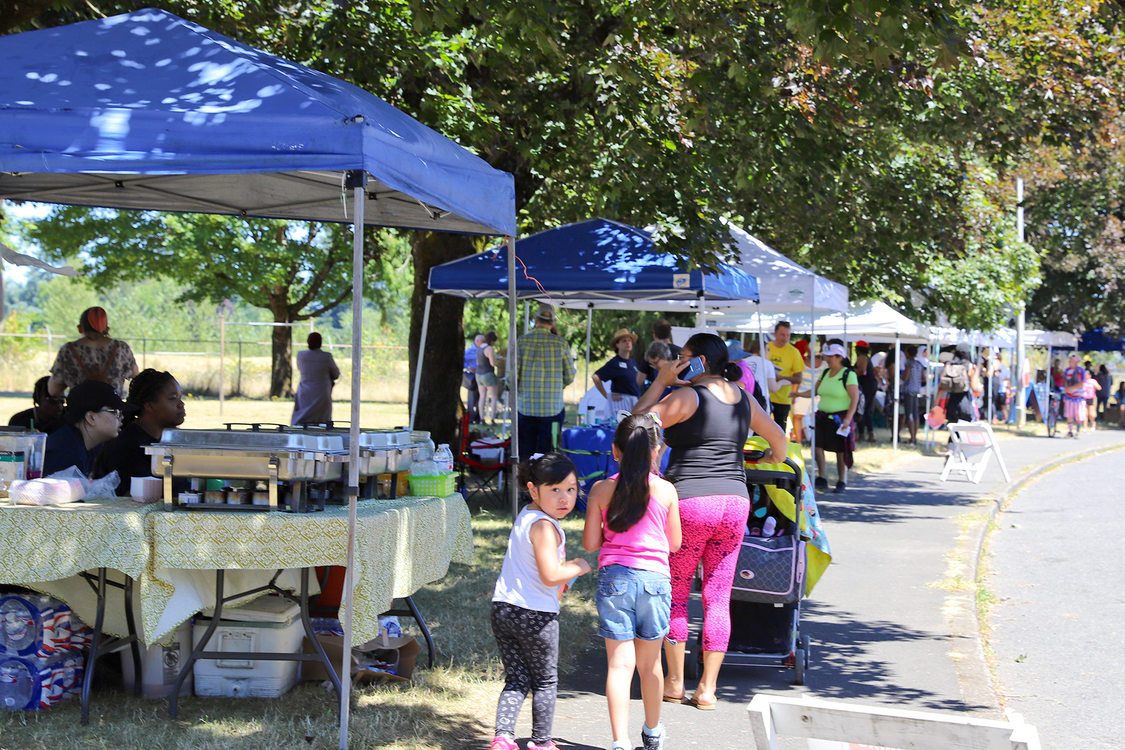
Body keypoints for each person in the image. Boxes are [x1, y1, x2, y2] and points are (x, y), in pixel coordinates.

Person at [632, 333, 788, 711]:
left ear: (699, 361)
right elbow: (780, 442)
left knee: (679, 592)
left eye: (683, 358)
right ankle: (707, 689)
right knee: (719, 597)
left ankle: (673, 681)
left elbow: (637, 426)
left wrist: (661, 381)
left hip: (690, 504)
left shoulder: (686, 397)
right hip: (735, 503)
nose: (677, 363)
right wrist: (766, 457)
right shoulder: (743, 398)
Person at [582, 414, 681, 750]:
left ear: (615, 450)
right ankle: (652, 732)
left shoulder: (601, 489)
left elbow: (592, 543)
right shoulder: (666, 490)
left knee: (619, 664)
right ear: (657, 451)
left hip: (615, 580)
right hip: (655, 581)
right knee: (650, 664)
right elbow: (675, 544)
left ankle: (620, 742)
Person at [490, 453, 592, 750]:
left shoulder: (527, 516)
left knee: (517, 678)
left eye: (571, 489)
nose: (565, 498)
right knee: (545, 681)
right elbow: (550, 575)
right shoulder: (546, 527)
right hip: (536, 615)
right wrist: (579, 566)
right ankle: (541, 741)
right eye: (555, 490)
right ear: (533, 489)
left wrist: (564, 579)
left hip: (504, 609)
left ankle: (503, 736)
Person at [94, 369, 186, 496]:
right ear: (149, 406)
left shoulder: (173, 440)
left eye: (180, 397)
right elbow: (133, 497)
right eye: (173, 398)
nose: (181, 404)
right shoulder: (126, 446)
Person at [797, 342, 859, 492]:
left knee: (840, 450)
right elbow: (814, 391)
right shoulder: (825, 373)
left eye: (831, 356)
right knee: (817, 446)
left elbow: (854, 398)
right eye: (828, 356)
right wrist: (797, 394)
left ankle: (841, 480)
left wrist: (847, 418)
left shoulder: (848, 375)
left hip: (839, 419)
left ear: (840, 357)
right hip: (822, 416)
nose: (828, 359)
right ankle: (822, 477)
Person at [516, 304, 575, 460]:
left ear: (535, 319)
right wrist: (556, 386)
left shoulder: (521, 342)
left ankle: (524, 482)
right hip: (552, 408)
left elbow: (512, 376)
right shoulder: (561, 343)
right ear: (553, 322)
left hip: (525, 407)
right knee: (547, 456)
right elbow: (570, 375)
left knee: (525, 454)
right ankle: (545, 483)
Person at [47, 306, 139, 398]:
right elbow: (137, 379)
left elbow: (53, 390)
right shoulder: (121, 349)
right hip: (111, 411)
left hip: (79, 410)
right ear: (107, 329)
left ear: (80, 328)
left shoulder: (68, 351)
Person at [43, 379, 125, 476]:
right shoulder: (65, 455)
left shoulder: (86, 445)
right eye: (115, 412)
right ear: (91, 418)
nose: (121, 417)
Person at [291, 332, 341, 426]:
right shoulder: (326, 357)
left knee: (302, 420)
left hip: (304, 392)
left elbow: (299, 368)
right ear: (320, 343)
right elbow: (336, 374)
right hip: (322, 393)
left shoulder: (301, 355)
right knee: (322, 421)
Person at [766, 321, 804, 433]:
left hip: (783, 399)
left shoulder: (794, 352)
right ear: (775, 333)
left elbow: (798, 379)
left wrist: (780, 378)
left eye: (788, 335)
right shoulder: (766, 348)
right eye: (783, 334)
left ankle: (778, 451)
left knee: (779, 432)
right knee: (761, 432)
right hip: (765, 396)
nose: (786, 338)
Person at [593, 329, 644, 413]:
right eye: (624, 341)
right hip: (621, 402)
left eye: (629, 341)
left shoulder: (633, 362)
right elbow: (596, 377)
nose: (628, 343)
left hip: (634, 402)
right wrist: (607, 396)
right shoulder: (614, 363)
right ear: (617, 345)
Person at [934, 343, 981, 425]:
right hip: (965, 401)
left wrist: (936, 404)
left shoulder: (949, 366)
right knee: (965, 430)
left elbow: (941, 386)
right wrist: (981, 390)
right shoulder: (971, 367)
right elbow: (974, 387)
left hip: (951, 402)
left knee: (953, 430)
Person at [637, 319, 681, 384]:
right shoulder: (680, 352)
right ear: (670, 333)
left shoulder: (650, 353)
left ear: (654, 334)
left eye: (655, 363)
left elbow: (639, 380)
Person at [901, 344, 927, 445]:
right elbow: (924, 378)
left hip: (908, 391)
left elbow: (906, 377)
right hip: (917, 391)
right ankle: (914, 437)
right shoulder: (919, 364)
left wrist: (901, 376)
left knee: (909, 415)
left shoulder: (909, 364)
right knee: (916, 414)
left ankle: (912, 438)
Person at [853, 341, 878, 443]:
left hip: (866, 386)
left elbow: (861, 371)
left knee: (862, 409)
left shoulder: (862, 357)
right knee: (865, 410)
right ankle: (869, 434)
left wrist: (850, 372)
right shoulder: (866, 357)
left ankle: (864, 434)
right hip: (869, 386)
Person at [477, 331, 501, 424]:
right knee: (494, 397)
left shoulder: (480, 348)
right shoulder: (489, 348)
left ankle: (482, 418)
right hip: (488, 374)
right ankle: (492, 419)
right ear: (492, 341)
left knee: (482, 396)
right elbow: (492, 363)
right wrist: (497, 360)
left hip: (479, 374)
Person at [1060, 354, 1086, 438]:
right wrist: (1066, 388)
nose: (1070, 362)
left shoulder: (1081, 371)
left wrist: (1070, 388)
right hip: (1069, 396)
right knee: (1069, 414)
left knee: (1078, 415)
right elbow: (1065, 381)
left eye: (1072, 361)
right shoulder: (1067, 370)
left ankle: (1078, 431)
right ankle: (1070, 431)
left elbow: (1082, 383)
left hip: (1078, 396)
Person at [464, 333, 485, 423]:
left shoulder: (484, 350)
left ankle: (478, 417)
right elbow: (463, 361)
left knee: (480, 397)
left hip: (481, 376)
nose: (484, 342)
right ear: (477, 341)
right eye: (483, 341)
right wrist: (469, 367)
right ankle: (471, 417)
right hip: (472, 377)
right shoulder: (470, 351)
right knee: (472, 398)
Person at [1082, 361, 1100, 431]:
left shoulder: (1093, 381)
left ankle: (1093, 424)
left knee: (1091, 413)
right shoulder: (1082, 381)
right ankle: (1085, 426)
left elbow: (1099, 387)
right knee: (1085, 413)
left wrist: (1094, 384)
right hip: (1084, 398)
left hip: (1091, 398)